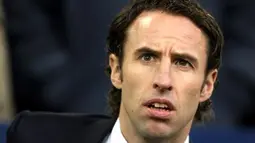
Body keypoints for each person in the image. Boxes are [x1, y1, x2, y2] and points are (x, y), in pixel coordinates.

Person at [6, 0, 224, 143]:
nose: (163, 80)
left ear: (207, 85)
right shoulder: (32, 136)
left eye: (183, 62)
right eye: (147, 57)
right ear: (116, 70)